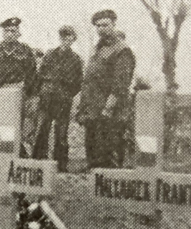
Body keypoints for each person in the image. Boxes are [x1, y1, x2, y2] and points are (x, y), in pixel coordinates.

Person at [76, 9, 135, 169]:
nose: (101, 29)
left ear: (114, 24)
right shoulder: (98, 48)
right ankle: (93, 186)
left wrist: (108, 109)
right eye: (98, 26)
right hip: (93, 111)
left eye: (105, 25)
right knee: (93, 153)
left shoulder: (122, 50)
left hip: (108, 113)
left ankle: (109, 190)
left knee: (109, 156)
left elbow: (120, 85)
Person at [0, 17, 38, 155]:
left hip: (16, 95)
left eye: (13, 31)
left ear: (18, 33)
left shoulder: (25, 50)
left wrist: (25, 92)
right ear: (3, 33)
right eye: (6, 31)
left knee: (10, 128)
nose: (9, 34)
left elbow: (31, 75)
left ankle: (11, 157)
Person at [32, 25, 83, 171]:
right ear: (60, 38)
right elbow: (40, 76)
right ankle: (37, 165)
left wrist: (66, 94)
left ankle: (60, 166)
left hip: (63, 101)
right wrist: (43, 91)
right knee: (41, 131)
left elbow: (79, 83)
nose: (66, 40)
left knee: (61, 134)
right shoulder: (49, 55)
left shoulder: (76, 60)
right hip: (46, 100)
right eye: (63, 37)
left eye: (69, 37)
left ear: (73, 39)